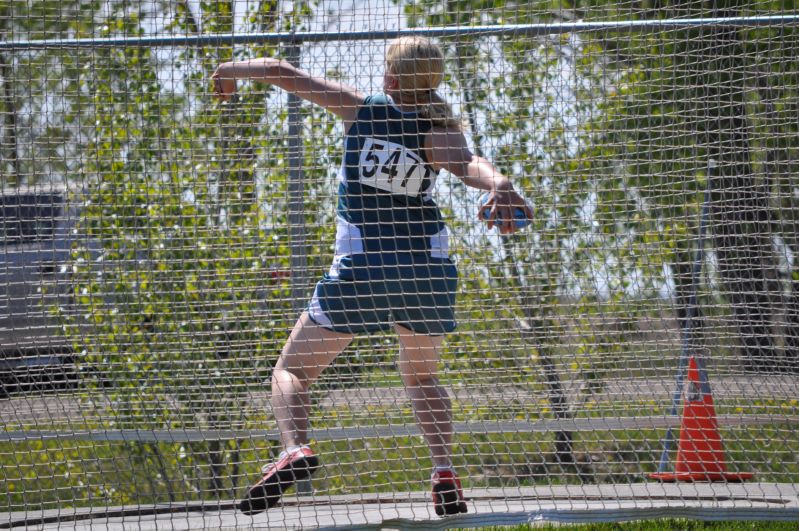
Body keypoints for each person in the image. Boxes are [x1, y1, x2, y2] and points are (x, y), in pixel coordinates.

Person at [212, 36, 532, 517]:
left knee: (292, 370)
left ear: (390, 78)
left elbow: (281, 70)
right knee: (422, 377)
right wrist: (502, 184)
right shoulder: (437, 126)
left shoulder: (362, 109)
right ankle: (444, 471)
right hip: (426, 272)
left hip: (365, 268)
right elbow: (469, 166)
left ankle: (294, 448)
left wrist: (228, 69)